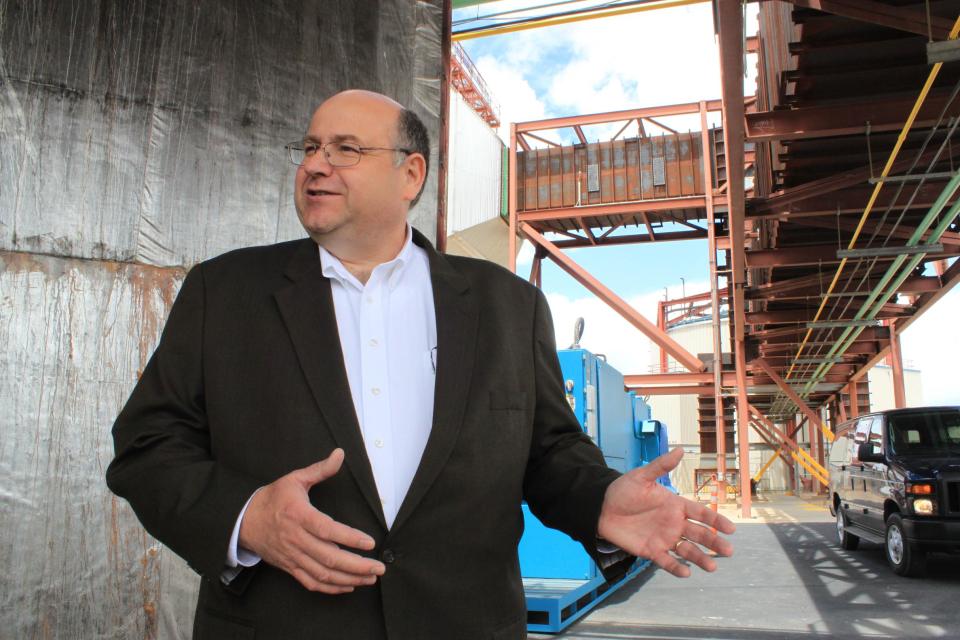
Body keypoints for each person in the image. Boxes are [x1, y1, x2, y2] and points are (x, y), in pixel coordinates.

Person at [106, 90, 735, 640]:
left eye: (346, 149)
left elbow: (547, 452)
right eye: (309, 147)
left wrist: (600, 498)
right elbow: (147, 448)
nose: (315, 165)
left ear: (411, 174)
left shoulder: (506, 305)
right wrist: (247, 519)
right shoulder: (226, 292)